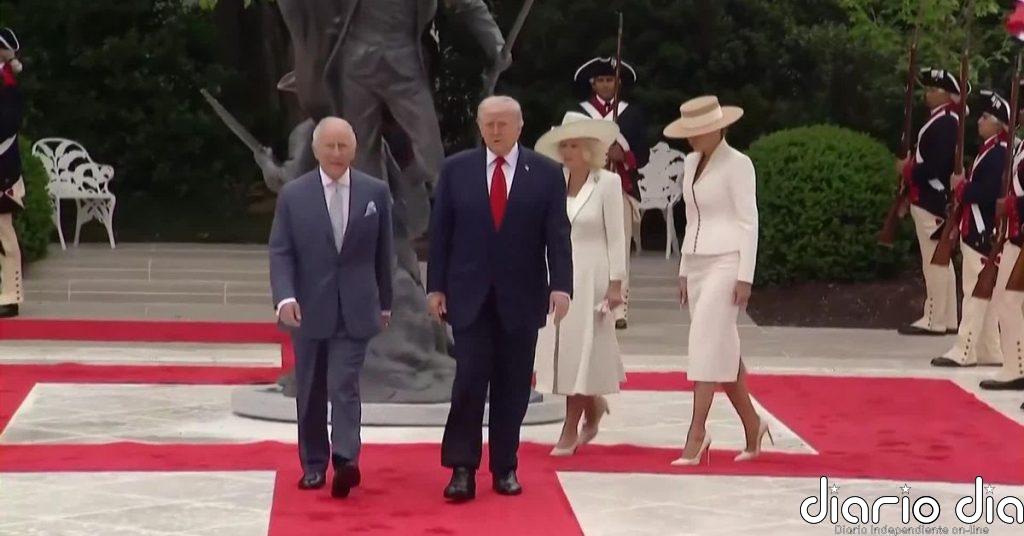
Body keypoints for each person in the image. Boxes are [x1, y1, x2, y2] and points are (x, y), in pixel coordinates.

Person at [427, 95, 572, 502]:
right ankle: (461, 468)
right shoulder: (456, 170)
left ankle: (505, 466)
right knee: (469, 382)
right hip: (468, 295)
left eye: (503, 124)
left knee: (513, 386)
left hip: (523, 296)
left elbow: (557, 236)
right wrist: (435, 286)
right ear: (479, 125)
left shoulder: (545, 174)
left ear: (520, 127)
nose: (495, 131)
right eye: (489, 123)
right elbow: (441, 235)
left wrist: (561, 285)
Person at [268, 117, 394, 499]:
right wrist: (285, 297)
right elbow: (281, 251)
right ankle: (313, 464)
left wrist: (385, 302)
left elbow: (382, 253)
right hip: (307, 308)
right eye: (330, 146)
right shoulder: (294, 195)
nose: (337, 154)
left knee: (344, 383)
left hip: (355, 307)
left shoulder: (375, 192)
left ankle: (345, 460)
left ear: (354, 149)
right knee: (310, 389)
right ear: (316, 150)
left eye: (344, 146)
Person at [667, 96, 770, 465]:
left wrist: (746, 276)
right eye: (688, 133)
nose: (691, 140)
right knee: (721, 351)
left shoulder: (739, 164)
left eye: (698, 132)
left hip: (728, 261)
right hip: (697, 262)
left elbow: (748, 222)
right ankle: (753, 424)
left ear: (717, 128)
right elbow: (690, 219)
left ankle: (697, 432)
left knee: (704, 345)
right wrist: (682, 268)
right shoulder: (691, 162)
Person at [533, 111, 627, 456]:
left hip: (593, 276)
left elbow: (617, 238)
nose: (568, 152)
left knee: (583, 351)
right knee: (563, 351)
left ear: (588, 148)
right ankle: (593, 405)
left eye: (574, 145)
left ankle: (569, 429)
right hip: (557, 275)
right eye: (564, 145)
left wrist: (617, 286)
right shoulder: (552, 182)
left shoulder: (608, 184)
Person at [933, 91, 1008, 368]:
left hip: (981, 230)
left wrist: (962, 187)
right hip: (976, 228)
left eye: (986, 117)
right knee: (983, 293)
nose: (979, 121)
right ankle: (989, 349)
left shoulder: (998, 153)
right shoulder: (991, 150)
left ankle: (964, 349)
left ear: (999, 124)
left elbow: (988, 193)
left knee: (976, 293)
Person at [574, 57, 650, 329]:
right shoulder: (580, 113)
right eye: (602, 80)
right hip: (587, 187)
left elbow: (643, 155)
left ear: (618, 83)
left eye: (611, 80)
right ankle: (589, 298)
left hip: (620, 187)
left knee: (619, 247)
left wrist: (624, 154)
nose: (606, 85)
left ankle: (620, 309)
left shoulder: (632, 114)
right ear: (593, 83)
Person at [897, 68, 966, 336]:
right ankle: (946, 317)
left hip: (930, 197)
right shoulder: (943, 120)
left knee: (934, 260)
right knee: (940, 259)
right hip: (928, 196)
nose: (928, 94)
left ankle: (934, 318)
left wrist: (908, 170)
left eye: (933, 90)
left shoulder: (946, 122)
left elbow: (937, 165)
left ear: (946, 95)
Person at [981, 87, 1024, 391]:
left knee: (1008, 301)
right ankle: (1015, 365)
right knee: (1004, 300)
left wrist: (1010, 205)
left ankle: (1016, 367)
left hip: (1021, 235)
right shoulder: (1020, 146)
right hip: (1014, 234)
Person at [0, 27, 24, 319]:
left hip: (2, 166)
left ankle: (11, 295)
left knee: (4, 235)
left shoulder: (8, 85)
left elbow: (7, 124)